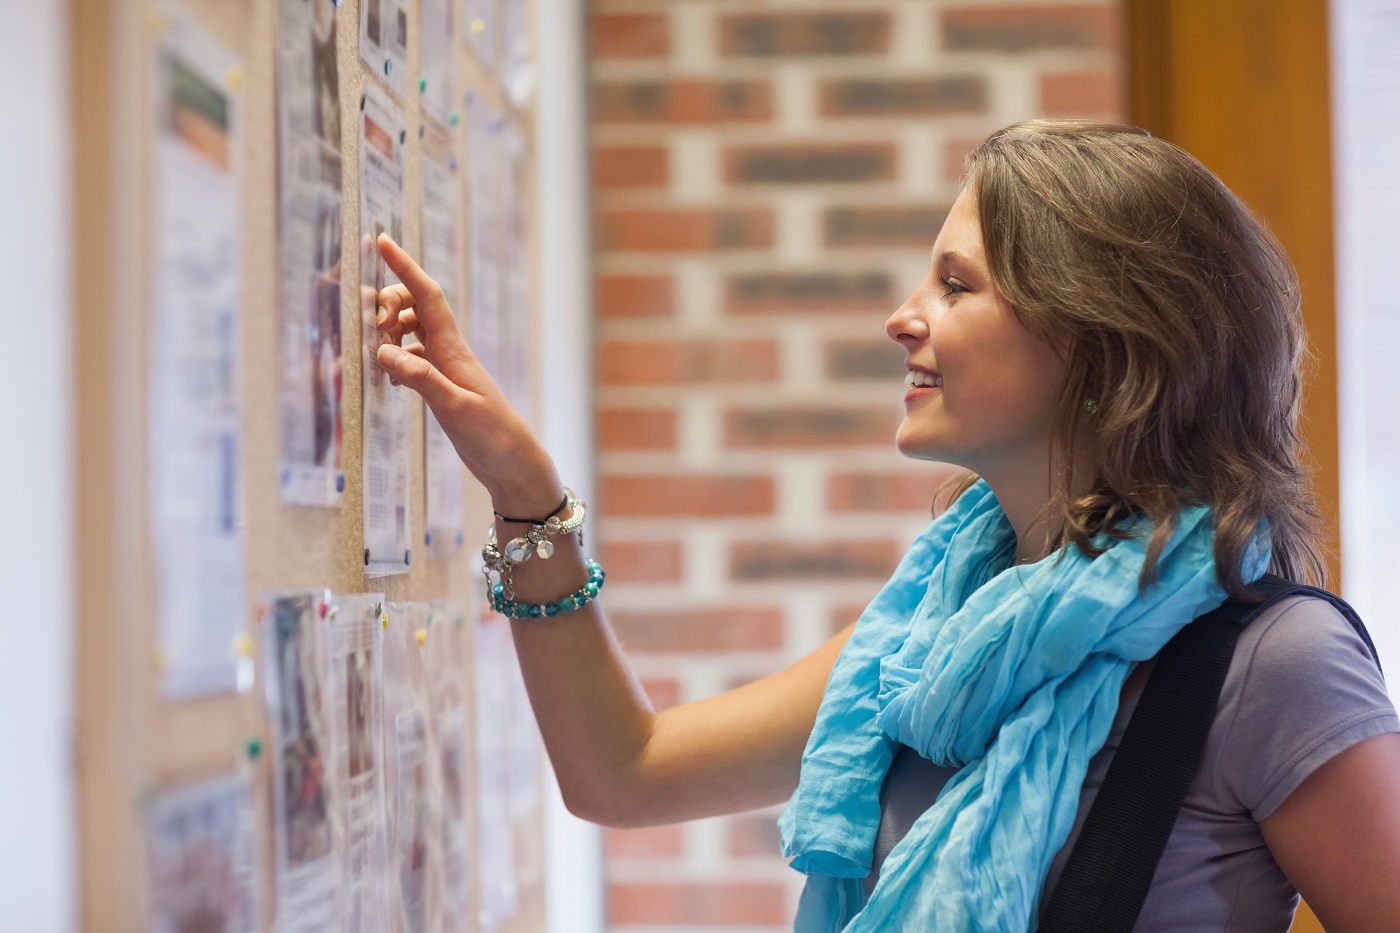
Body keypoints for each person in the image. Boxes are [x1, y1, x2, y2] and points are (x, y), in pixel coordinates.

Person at [369, 120, 1400, 931]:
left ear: (1095, 347)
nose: (902, 317)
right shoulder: (930, 637)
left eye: (955, 286)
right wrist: (522, 490)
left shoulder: (1272, 662)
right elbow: (620, 773)